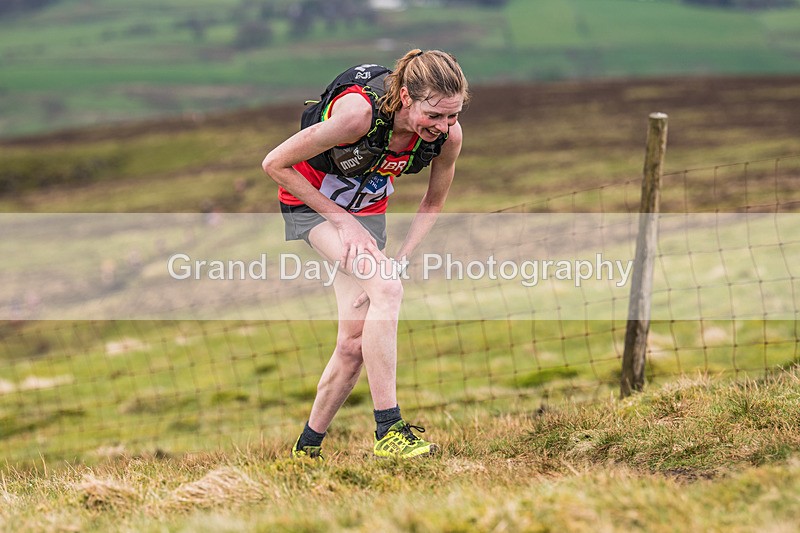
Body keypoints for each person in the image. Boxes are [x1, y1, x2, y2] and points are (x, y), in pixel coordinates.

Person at [262, 49, 469, 460]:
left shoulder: (449, 137)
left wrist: (403, 256)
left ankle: (305, 451)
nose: (444, 127)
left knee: (355, 341)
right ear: (407, 96)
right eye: (435, 116)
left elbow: (432, 202)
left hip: (366, 217)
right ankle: (389, 431)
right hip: (314, 205)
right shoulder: (358, 115)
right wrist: (341, 221)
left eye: (453, 115)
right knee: (387, 290)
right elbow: (274, 163)